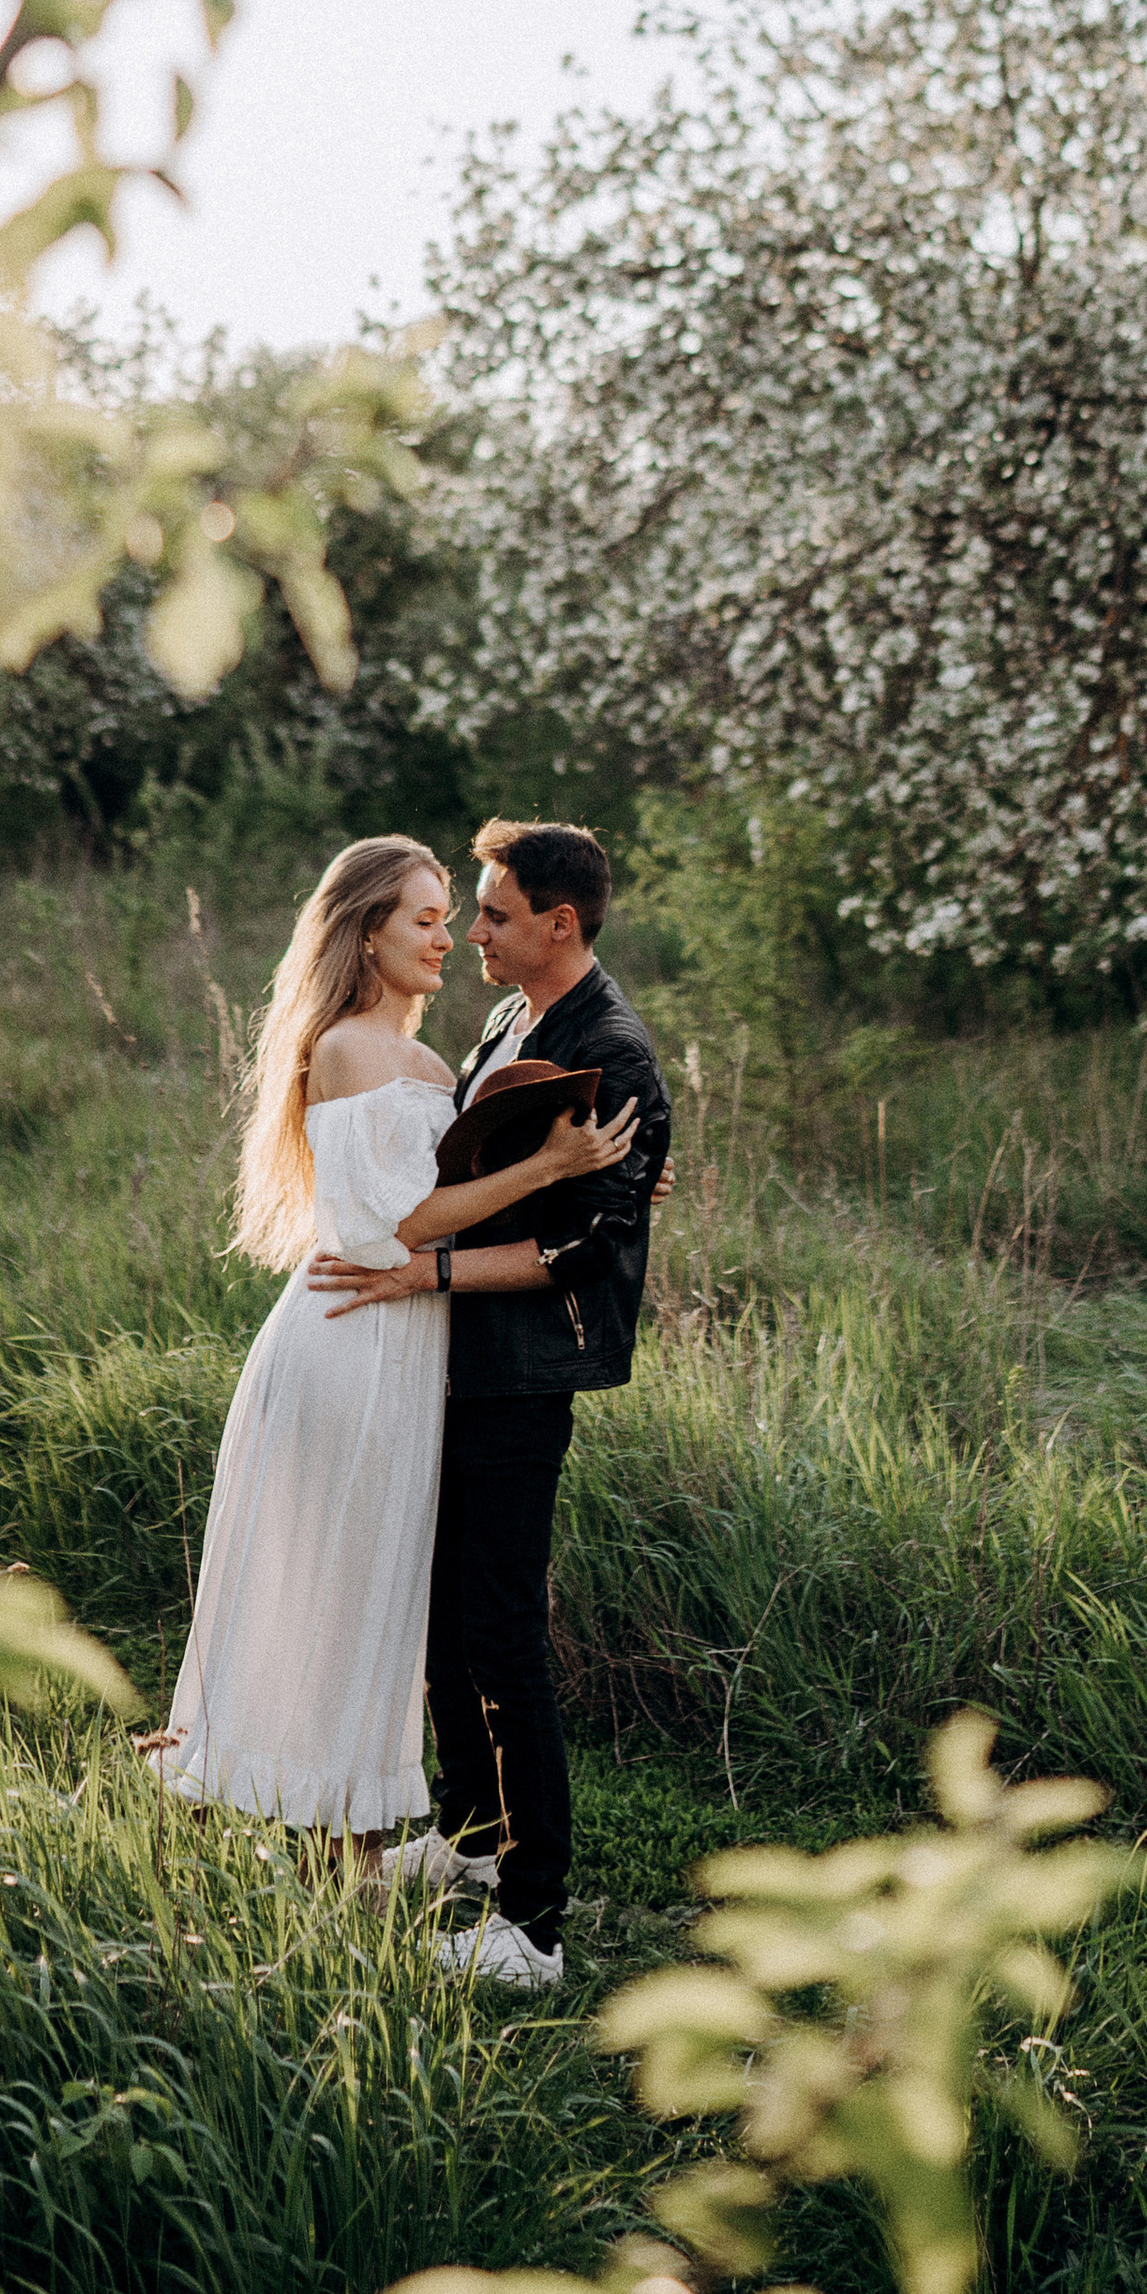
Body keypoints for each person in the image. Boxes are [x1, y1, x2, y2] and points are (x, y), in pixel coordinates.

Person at [146, 835, 633, 1864]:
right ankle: (305, 1829)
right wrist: (551, 1168)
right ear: (368, 933)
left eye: (455, 918)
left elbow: (460, 1182)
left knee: (374, 1596)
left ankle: (343, 1835)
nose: (449, 938)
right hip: (351, 1342)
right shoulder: (349, 1048)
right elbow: (393, 1227)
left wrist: (609, 1179)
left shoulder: (429, 1059)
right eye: (425, 919)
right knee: (334, 1588)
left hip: (408, 1346)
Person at [311, 815, 671, 1990]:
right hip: (458, 1359)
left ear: (559, 924)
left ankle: (533, 1924)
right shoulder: (516, 1016)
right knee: (445, 1614)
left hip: (521, 1373)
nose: (474, 931)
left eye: (496, 914)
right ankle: (469, 1833)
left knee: (504, 1632)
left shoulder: (610, 1048)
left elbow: (583, 1252)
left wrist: (423, 1274)